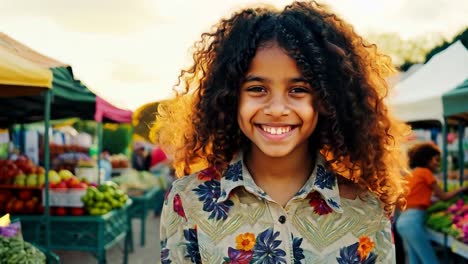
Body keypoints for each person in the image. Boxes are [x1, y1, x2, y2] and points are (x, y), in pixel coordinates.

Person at [155, 1, 409, 263]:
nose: (277, 109)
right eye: (257, 89)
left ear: (326, 100)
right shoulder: (187, 200)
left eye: (298, 89)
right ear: (231, 97)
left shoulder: (367, 208)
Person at [396, 142, 468, 264]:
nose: (438, 163)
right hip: (412, 223)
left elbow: (409, 198)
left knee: (415, 260)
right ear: (426, 159)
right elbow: (444, 197)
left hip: (402, 221)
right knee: (430, 260)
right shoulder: (425, 173)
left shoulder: (412, 174)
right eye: (436, 160)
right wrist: (463, 188)